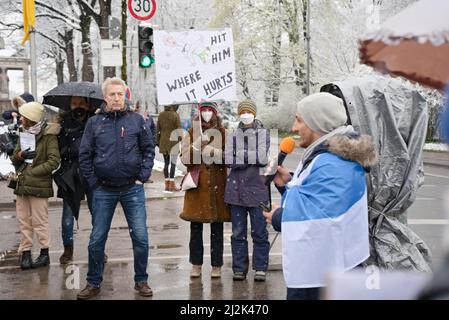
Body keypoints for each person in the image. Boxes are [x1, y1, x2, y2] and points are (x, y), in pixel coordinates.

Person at [263, 92, 377, 300]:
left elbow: (321, 218)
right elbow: (316, 199)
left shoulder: (332, 163)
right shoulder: (327, 156)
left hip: (323, 278)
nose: (293, 128)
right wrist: (288, 183)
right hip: (324, 271)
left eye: (299, 120)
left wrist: (280, 217)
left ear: (317, 123)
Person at [77, 77, 155, 300]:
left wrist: (143, 176)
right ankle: (93, 282)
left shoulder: (136, 120)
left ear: (125, 96)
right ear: (105, 97)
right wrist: (93, 182)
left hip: (133, 188)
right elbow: (85, 155)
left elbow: (149, 150)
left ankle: (141, 280)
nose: (117, 98)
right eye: (112, 94)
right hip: (103, 190)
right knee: (97, 239)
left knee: (140, 237)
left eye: (120, 94)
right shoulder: (94, 123)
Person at [180, 101, 230, 279]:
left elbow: (230, 158)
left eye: (210, 111)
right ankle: (196, 265)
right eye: (204, 110)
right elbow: (185, 160)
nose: (207, 113)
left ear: (215, 113)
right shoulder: (192, 132)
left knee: (217, 230)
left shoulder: (223, 132)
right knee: (195, 230)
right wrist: (196, 146)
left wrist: (215, 153)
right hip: (198, 188)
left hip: (218, 188)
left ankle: (216, 265)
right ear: (199, 113)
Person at [10, 102, 60, 270]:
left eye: (24, 116)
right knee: (24, 220)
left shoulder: (49, 136)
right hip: (22, 184)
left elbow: (54, 161)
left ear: (30, 118)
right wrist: (20, 154)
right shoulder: (23, 133)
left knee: (40, 221)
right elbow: (14, 159)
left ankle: (44, 253)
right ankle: (25, 253)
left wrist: (32, 173)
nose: (21, 118)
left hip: (39, 185)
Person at [224, 100, 270, 281]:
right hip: (236, 192)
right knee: (238, 233)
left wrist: (239, 155)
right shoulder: (232, 135)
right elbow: (228, 159)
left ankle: (260, 267)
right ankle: (239, 268)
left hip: (257, 190)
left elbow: (262, 157)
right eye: (242, 112)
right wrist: (249, 157)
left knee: (259, 231)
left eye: (248, 111)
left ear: (254, 113)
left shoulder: (264, 133)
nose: (245, 114)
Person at [53, 96, 94, 264]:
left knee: (98, 213)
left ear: (88, 105)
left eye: (82, 103)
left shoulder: (95, 122)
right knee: (67, 214)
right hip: (69, 174)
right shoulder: (62, 125)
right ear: (69, 105)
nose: (78, 106)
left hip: (91, 173)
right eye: (74, 103)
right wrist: (71, 149)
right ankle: (67, 249)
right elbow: (58, 150)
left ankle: (98, 249)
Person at [157, 105, 182, 192]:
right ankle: (172, 184)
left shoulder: (161, 115)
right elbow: (179, 129)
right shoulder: (175, 115)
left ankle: (166, 185)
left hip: (163, 141)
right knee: (173, 163)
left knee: (166, 163)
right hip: (173, 141)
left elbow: (157, 129)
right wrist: (180, 139)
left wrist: (157, 141)